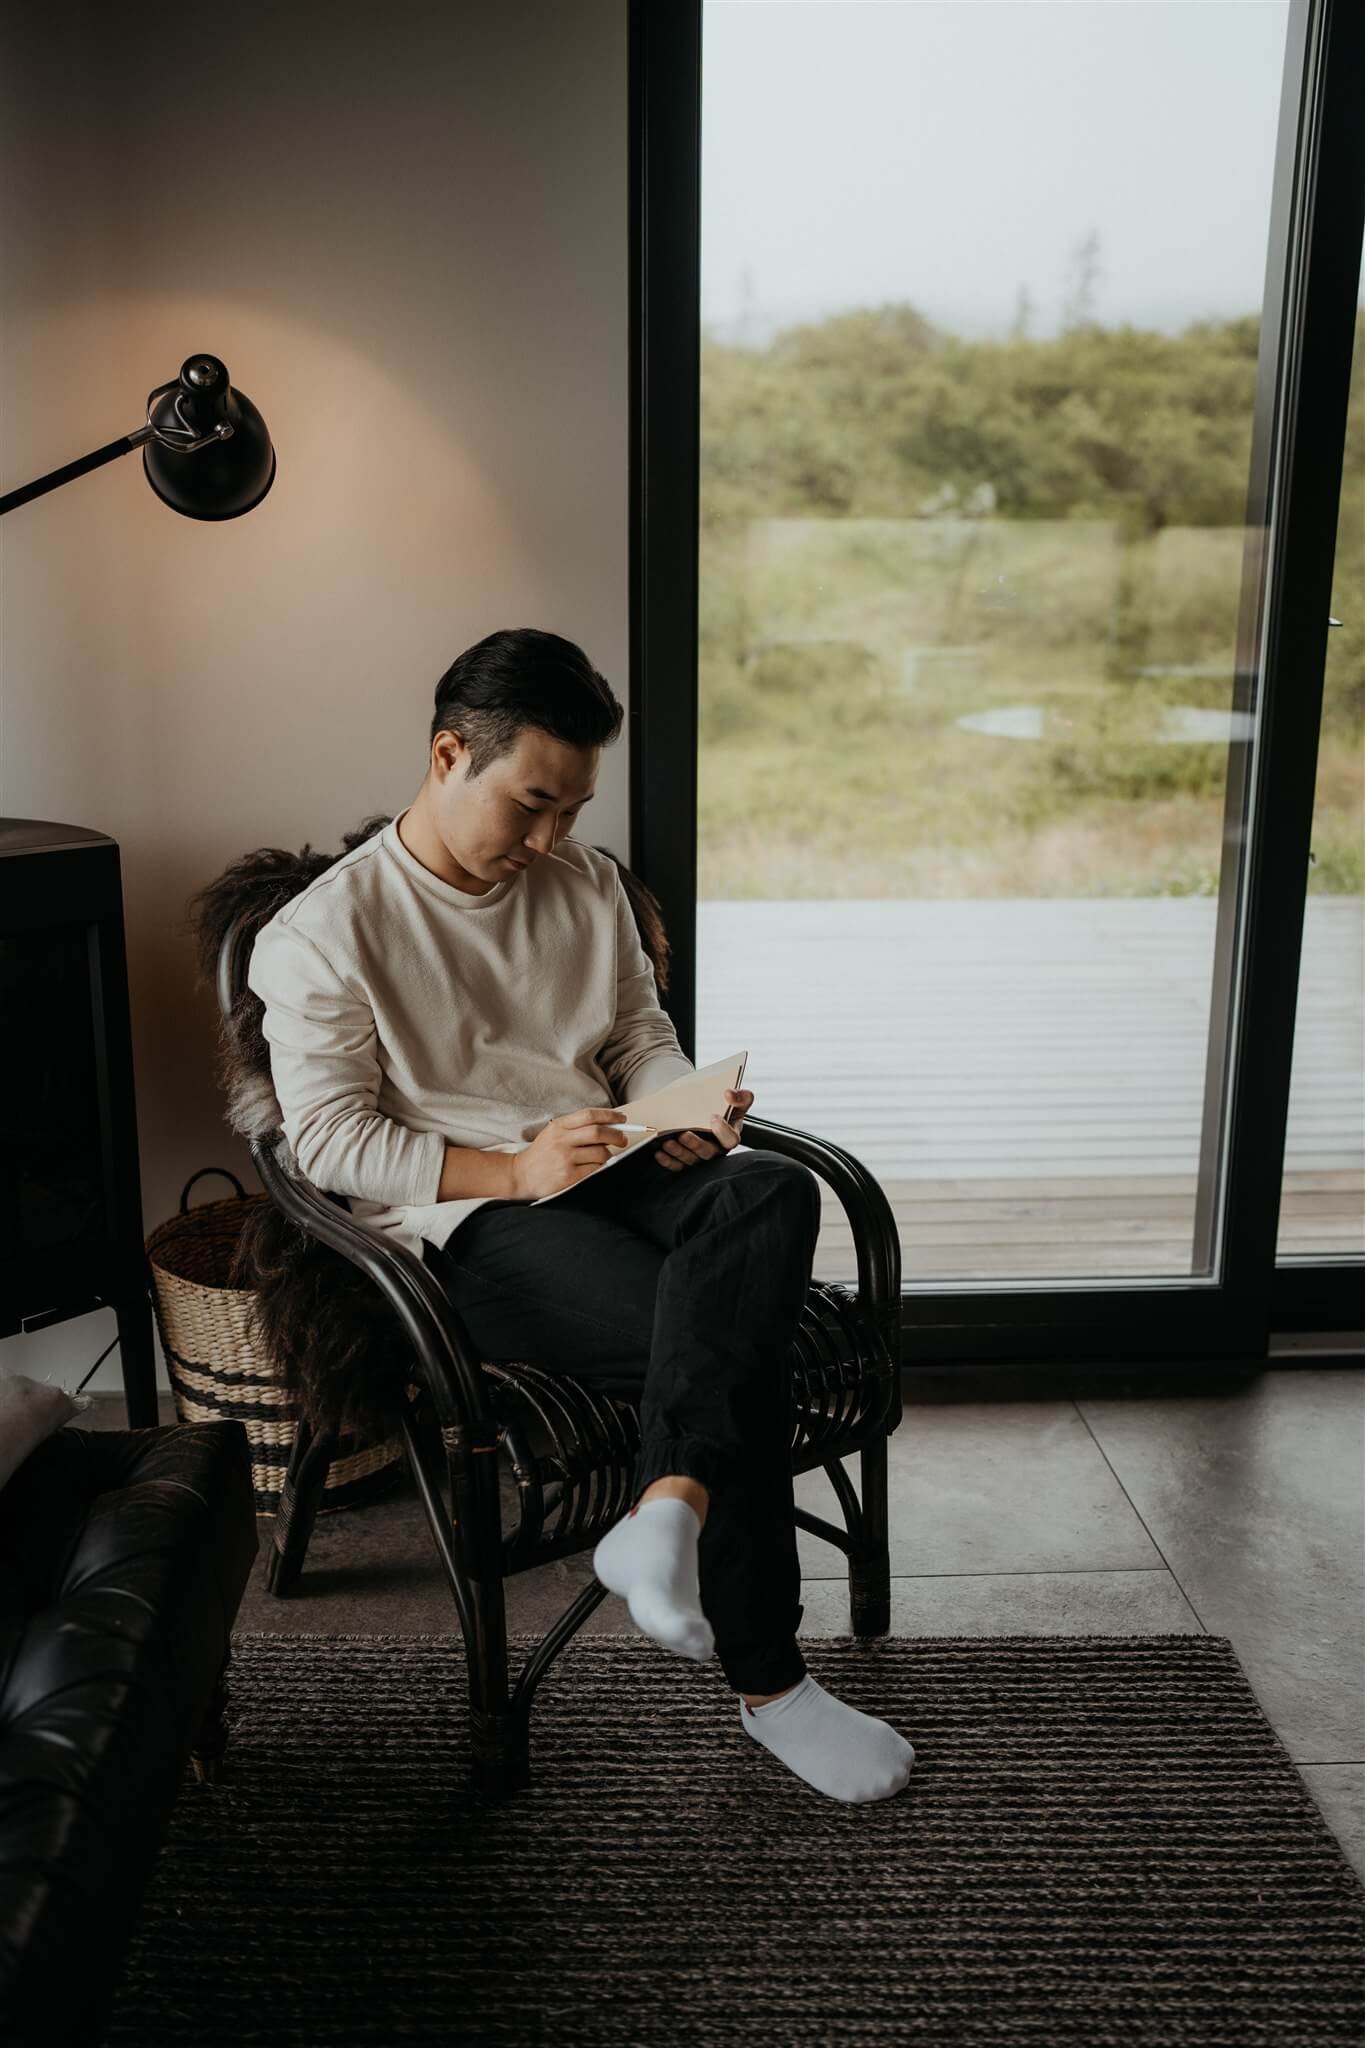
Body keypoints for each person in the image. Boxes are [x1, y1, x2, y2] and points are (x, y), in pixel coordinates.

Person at [247, 626, 915, 1804]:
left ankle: (663, 1511)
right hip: (473, 1219)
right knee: (723, 1337)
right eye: (533, 803)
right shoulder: (322, 935)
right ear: (450, 753)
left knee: (770, 1185)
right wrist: (510, 1170)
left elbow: (633, 1038)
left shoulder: (585, 883)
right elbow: (331, 1144)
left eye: (574, 808)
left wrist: (679, 1103)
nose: (553, 839)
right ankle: (773, 1686)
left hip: (621, 1163)